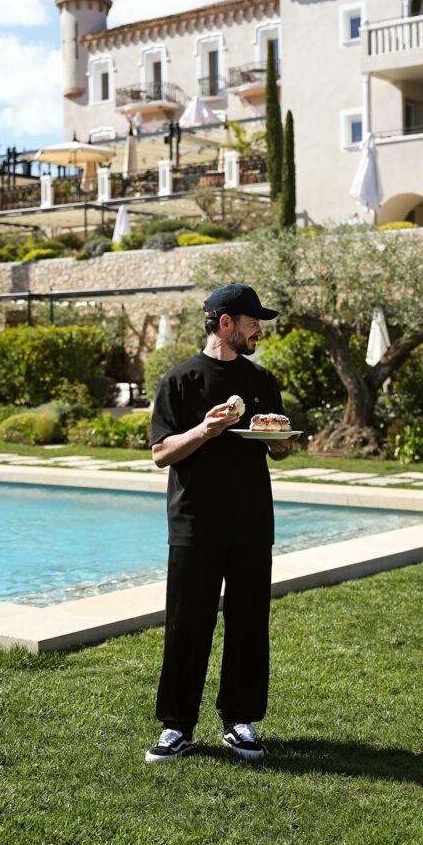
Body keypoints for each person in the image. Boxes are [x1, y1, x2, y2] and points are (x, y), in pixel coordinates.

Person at [145, 282, 293, 763]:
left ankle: (240, 720)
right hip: (195, 524)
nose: (259, 333)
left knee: (250, 622)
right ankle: (177, 727)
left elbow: (284, 445)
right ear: (225, 323)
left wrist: (275, 436)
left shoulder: (261, 381)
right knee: (188, 624)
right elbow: (162, 453)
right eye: (253, 324)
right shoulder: (180, 381)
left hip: (251, 520)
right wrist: (207, 429)